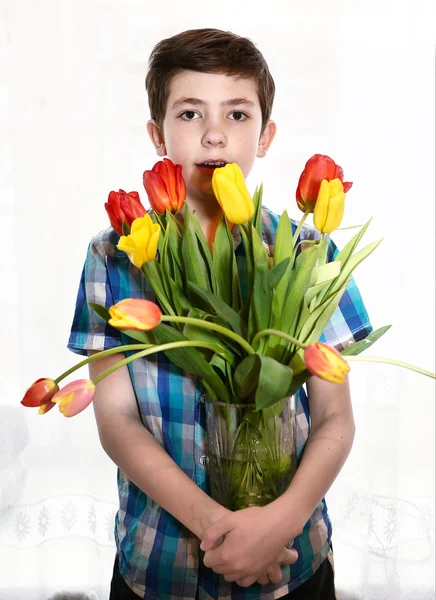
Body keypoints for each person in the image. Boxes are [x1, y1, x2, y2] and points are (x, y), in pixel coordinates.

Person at [68, 28, 372, 600]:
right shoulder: (113, 256)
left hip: (291, 559)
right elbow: (116, 421)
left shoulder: (309, 254)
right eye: (189, 114)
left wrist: (277, 524)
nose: (214, 133)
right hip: (161, 563)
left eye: (237, 114)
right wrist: (220, 531)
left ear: (265, 136)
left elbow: (335, 418)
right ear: (158, 136)